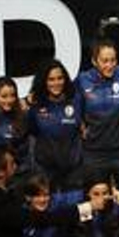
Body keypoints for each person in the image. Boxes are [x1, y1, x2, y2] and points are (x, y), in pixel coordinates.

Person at [76, 40, 119, 197]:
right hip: (94, 154)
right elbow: (66, 101)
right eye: (105, 61)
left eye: (113, 60)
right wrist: (80, 125)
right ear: (94, 61)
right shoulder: (82, 80)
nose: (110, 65)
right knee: (99, 204)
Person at [28, 59, 83, 193]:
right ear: (44, 81)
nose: (56, 83)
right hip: (45, 170)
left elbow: (85, 124)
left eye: (60, 78)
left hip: (73, 170)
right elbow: (32, 131)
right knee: (48, 210)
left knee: (73, 208)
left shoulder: (76, 100)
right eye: (51, 79)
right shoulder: (35, 104)